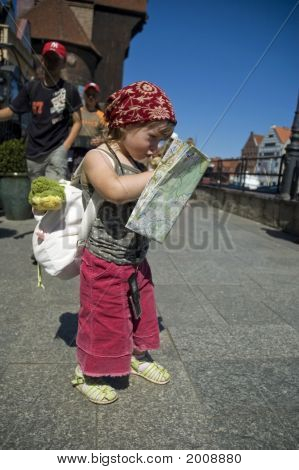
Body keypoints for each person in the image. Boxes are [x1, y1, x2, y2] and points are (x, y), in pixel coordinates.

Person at [71, 80, 177, 404]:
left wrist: (173, 191)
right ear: (127, 124)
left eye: (162, 141)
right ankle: (85, 372)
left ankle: (137, 354)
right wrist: (160, 175)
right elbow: (115, 189)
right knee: (102, 319)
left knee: (142, 312)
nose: (155, 148)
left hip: (135, 260)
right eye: (153, 137)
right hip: (102, 261)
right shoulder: (97, 157)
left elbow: (148, 207)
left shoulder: (142, 164)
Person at [0, 41, 82, 181]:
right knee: (37, 198)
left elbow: (78, 122)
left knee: (51, 197)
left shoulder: (69, 90)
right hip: (33, 154)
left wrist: (64, 148)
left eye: (56, 59)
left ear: (63, 64)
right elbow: (11, 111)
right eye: (48, 58)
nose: (51, 62)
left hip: (56, 152)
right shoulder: (31, 88)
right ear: (43, 61)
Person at [70, 82, 107, 173]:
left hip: (94, 153)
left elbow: (108, 135)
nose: (91, 97)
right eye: (88, 94)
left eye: (93, 95)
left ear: (97, 97)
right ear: (84, 96)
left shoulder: (102, 116)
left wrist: (101, 139)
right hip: (77, 152)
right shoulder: (78, 112)